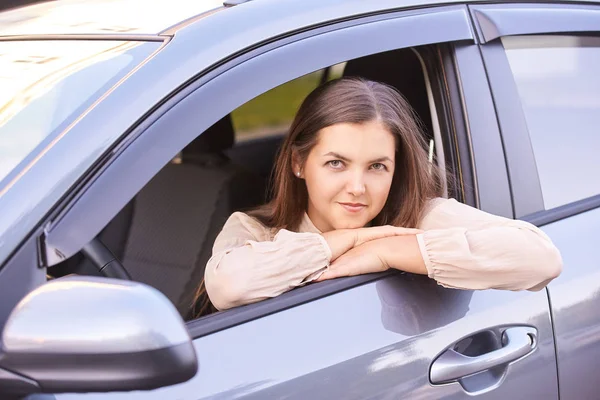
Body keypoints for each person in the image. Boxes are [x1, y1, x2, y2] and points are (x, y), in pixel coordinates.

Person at [191, 77, 562, 318]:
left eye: (377, 167)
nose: (357, 187)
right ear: (299, 163)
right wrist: (345, 241)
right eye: (336, 163)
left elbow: (541, 257)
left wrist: (385, 252)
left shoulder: (419, 218)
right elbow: (228, 287)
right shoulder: (255, 229)